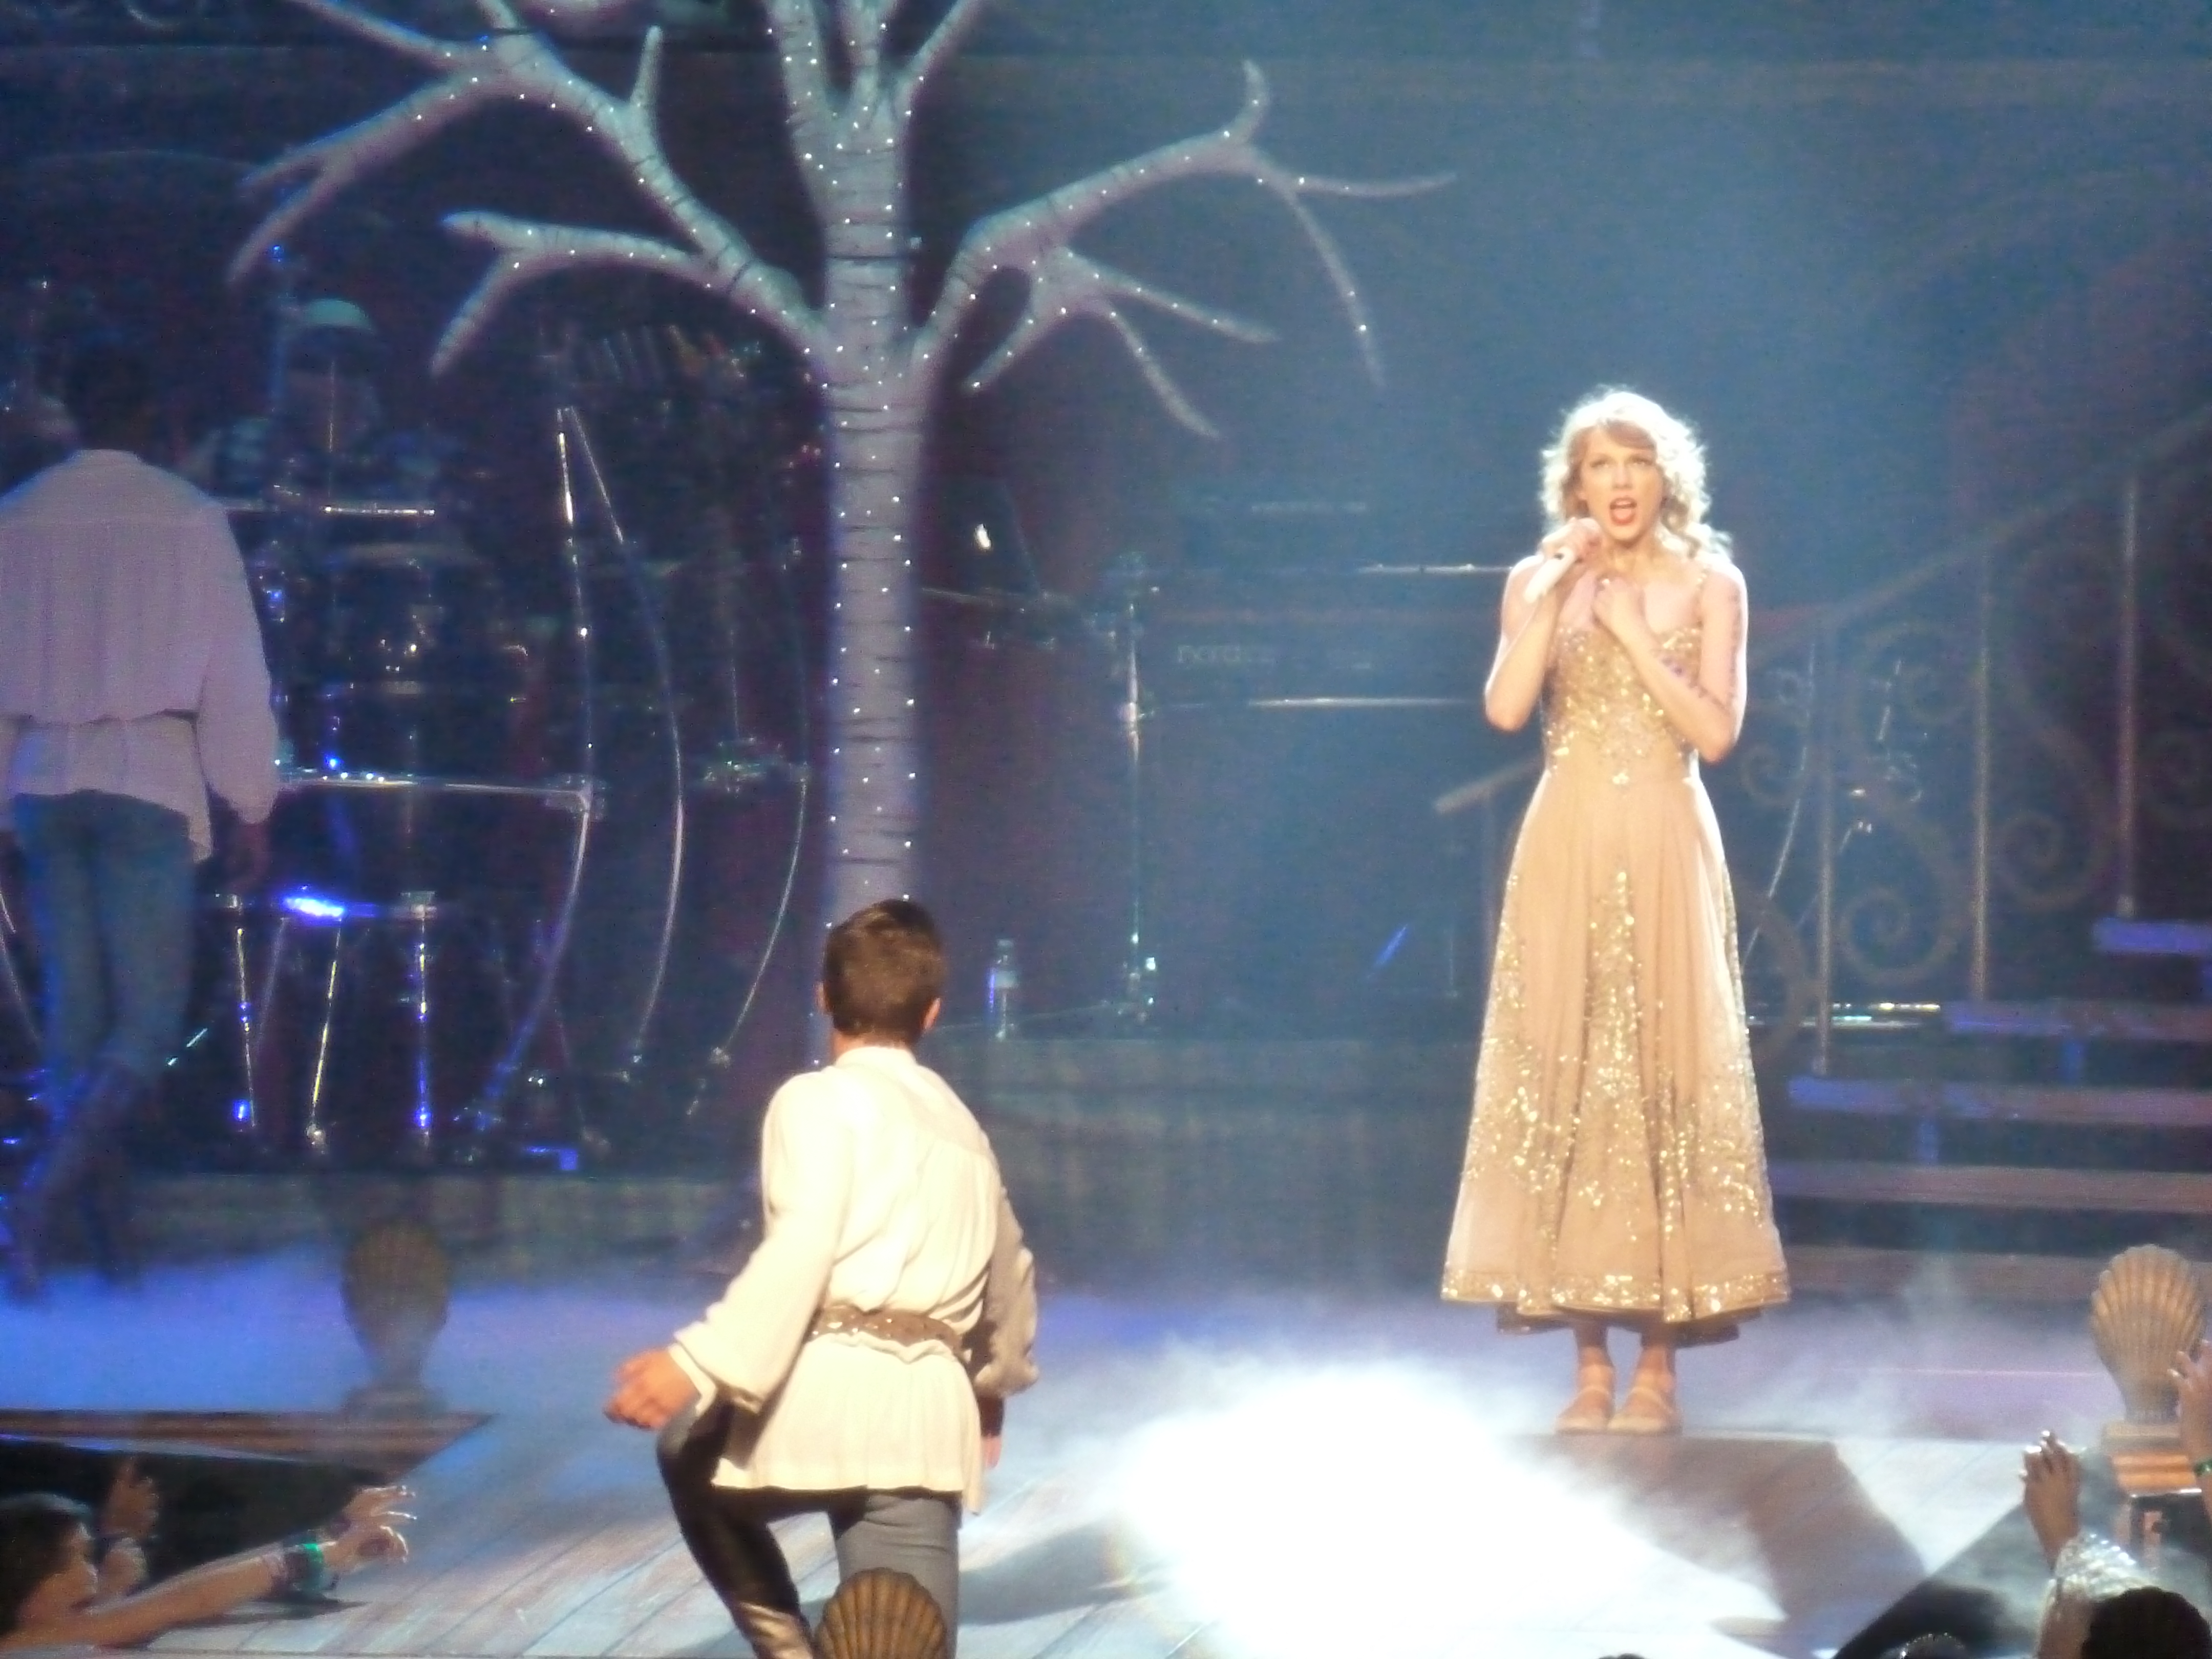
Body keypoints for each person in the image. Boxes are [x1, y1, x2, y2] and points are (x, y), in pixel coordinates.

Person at [1440, 388, 1788, 1434]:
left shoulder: (1711, 582)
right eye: (1602, 465)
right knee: (1569, 1076)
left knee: (1659, 1078)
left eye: (1637, 461)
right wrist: (1557, 589)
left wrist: (1635, 637)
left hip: (1666, 844)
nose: (1621, 481)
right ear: (1576, 483)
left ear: (1666, 476)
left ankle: (1660, 1369)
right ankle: (1589, 1363)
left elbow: (1715, 736)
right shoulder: (1536, 578)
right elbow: (1506, 709)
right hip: (1567, 844)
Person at [604, 899, 1038, 1658]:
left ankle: (784, 1647)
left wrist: (699, 1361)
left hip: (825, 1396)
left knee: (688, 1451)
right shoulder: (965, 1129)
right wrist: (990, 1383)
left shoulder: (815, 1100)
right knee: (901, 1635)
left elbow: (803, 1245)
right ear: (932, 1013)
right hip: (925, 1416)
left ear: (824, 997)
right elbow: (1011, 1274)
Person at [0, 341, 280, 1300]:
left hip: (46, 774)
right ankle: (38, 1204)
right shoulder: (188, 517)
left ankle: (102, 1265)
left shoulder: (19, 516)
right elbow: (232, 670)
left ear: (71, 414)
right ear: (150, 420)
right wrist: (251, 799)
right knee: (147, 1025)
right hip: (145, 773)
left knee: (77, 1024)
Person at [0, 1485, 408, 1649]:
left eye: (86, 1557)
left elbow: (183, 1590)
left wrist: (329, 1535)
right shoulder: (19, 1647)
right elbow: (184, 1601)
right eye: (61, 1565)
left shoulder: (48, 1635)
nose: (87, 1575)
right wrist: (321, 1554)